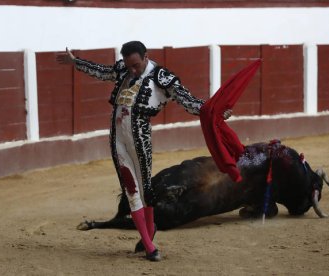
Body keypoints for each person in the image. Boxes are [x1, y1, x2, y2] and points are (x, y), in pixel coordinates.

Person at [57, 41, 232, 261]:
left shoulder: (161, 77)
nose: (132, 70)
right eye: (129, 65)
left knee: (146, 190)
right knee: (131, 189)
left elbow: (187, 100)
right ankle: (150, 246)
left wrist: (215, 113)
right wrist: (76, 63)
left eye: (136, 65)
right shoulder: (123, 68)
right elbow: (102, 72)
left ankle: (149, 231)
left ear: (146, 57)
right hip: (117, 138)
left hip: (140, 139)